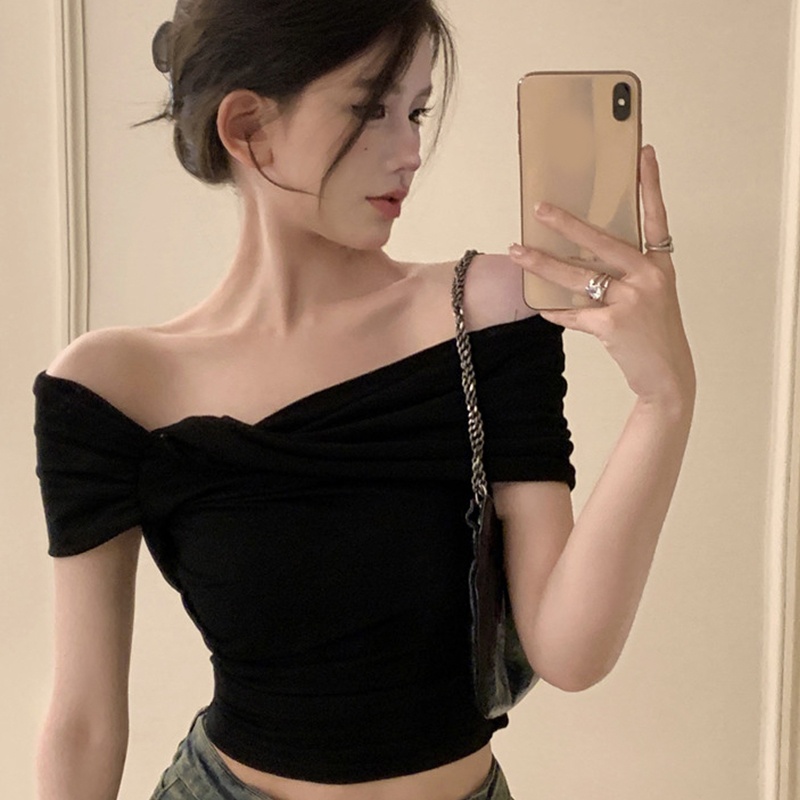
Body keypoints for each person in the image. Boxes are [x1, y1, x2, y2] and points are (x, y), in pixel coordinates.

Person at [31, 1, 696, 799]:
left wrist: (663, 399)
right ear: (248, 128)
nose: (410, 151)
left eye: (415, 111)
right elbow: (83, 722)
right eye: (370, 109)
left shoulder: (488, 312)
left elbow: (570, 651)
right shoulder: (114, 387)